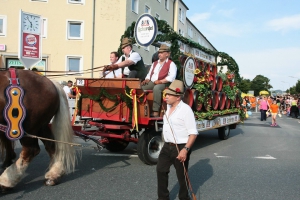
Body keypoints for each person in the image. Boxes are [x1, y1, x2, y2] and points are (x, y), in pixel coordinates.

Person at [156, 80, 198, 200]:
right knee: (160, 170)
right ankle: (163, 198)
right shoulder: (167, 107)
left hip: (180, 146)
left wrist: (185, 150)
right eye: (166, 94)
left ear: (178, 97)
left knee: (182, 176)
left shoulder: (186, 110)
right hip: (167, 146)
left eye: (169, 94)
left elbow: (193, 133)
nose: (166, 96)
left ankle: (184, 197)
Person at [141, 44, 177, 117]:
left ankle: (155, 110)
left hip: (164, 83)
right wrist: (147, 79)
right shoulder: (155, 63)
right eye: (159, 53)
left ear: (167, 54)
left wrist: (160, 81)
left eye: (161, 53)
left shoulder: (171, 64)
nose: (159, 54)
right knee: (141, 87)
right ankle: (141, 107)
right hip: (153, 81)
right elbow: (149, 73)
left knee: (157, 88)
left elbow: (172, 77)